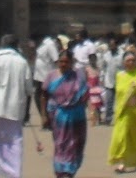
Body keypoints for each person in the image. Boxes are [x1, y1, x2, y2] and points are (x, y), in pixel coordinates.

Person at [0, 34, 32, 178]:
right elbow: (29, 90)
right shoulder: (22, 62)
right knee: (15, 143)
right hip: (17, 110)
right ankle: (15, 173)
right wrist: (27, 112)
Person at [107, 46, 136, 174]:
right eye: (128, 60)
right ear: (124, 62)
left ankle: (135, 161)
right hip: (124, 112)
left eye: (133, 60)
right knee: (121, 137)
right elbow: (119, 92)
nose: (131, 62)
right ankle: (122, 164)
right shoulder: (120, 76)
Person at [45, 43, 88, 177]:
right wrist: (44, 116)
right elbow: (43, 95)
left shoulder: (79, 77)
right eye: (61, 61)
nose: (63, 64)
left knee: (75, 145)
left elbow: (85, 94)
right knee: (61, 145)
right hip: (59, 118)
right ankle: (62, 171)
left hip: (77, 118)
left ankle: (70, 171)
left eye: (66, 62)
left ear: (71, 62)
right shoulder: (51, 76)